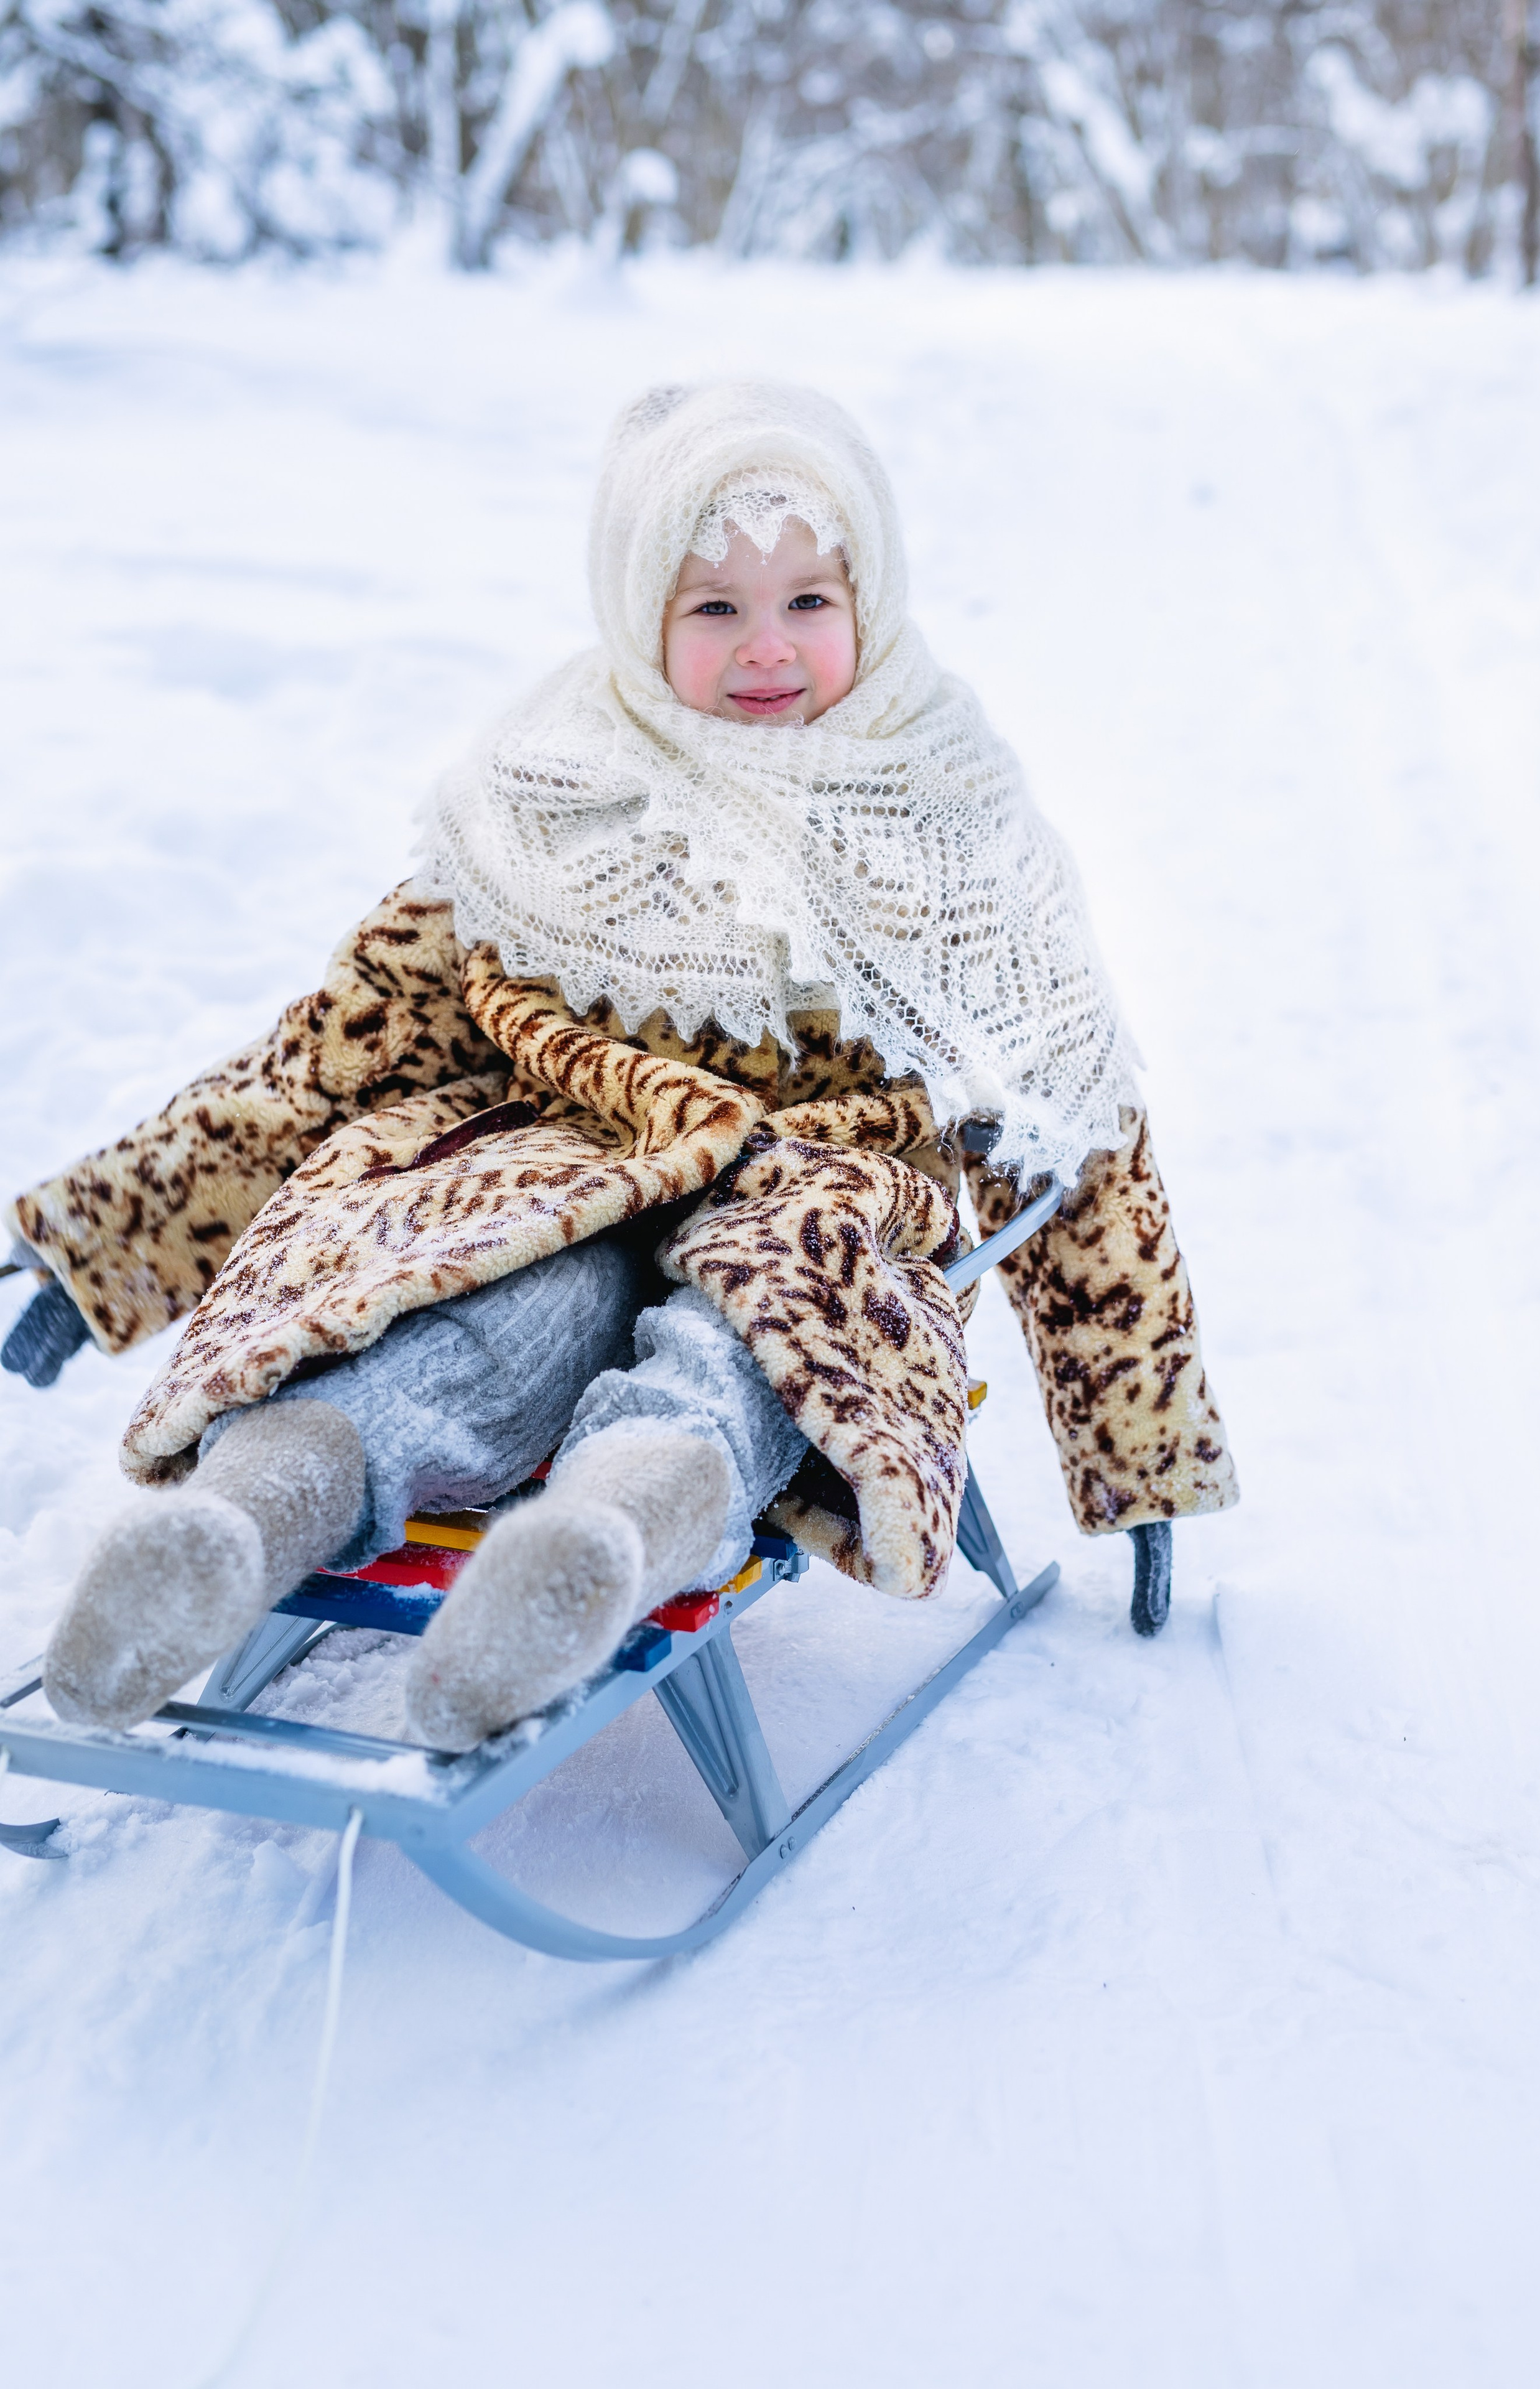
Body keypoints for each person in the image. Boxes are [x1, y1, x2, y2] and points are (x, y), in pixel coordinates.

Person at [3, 380, 1237, 1752]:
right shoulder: (549, 796)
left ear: (868, 598)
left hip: (812, 1202)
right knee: (463, 1327)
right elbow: (327, 1058)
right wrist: (101, 1237)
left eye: (807, 602)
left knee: (751, 1348)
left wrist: (1137, 1450)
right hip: (564, 1171)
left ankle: (600, 1540)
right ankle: (241, 1521)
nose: (766, 647)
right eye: (712, 607)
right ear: (639, 611)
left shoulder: (954, 826)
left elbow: (1073, 1137)